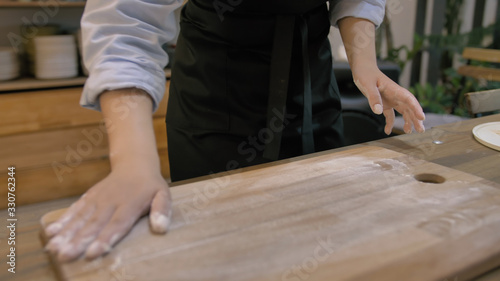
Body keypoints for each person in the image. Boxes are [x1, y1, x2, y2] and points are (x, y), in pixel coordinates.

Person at [44, 0, 425, 262]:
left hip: (309, 85)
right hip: (215, 96)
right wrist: (134, 164)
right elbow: (126, 21)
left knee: (319, 242)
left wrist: (365, 62)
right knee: (217, 253)